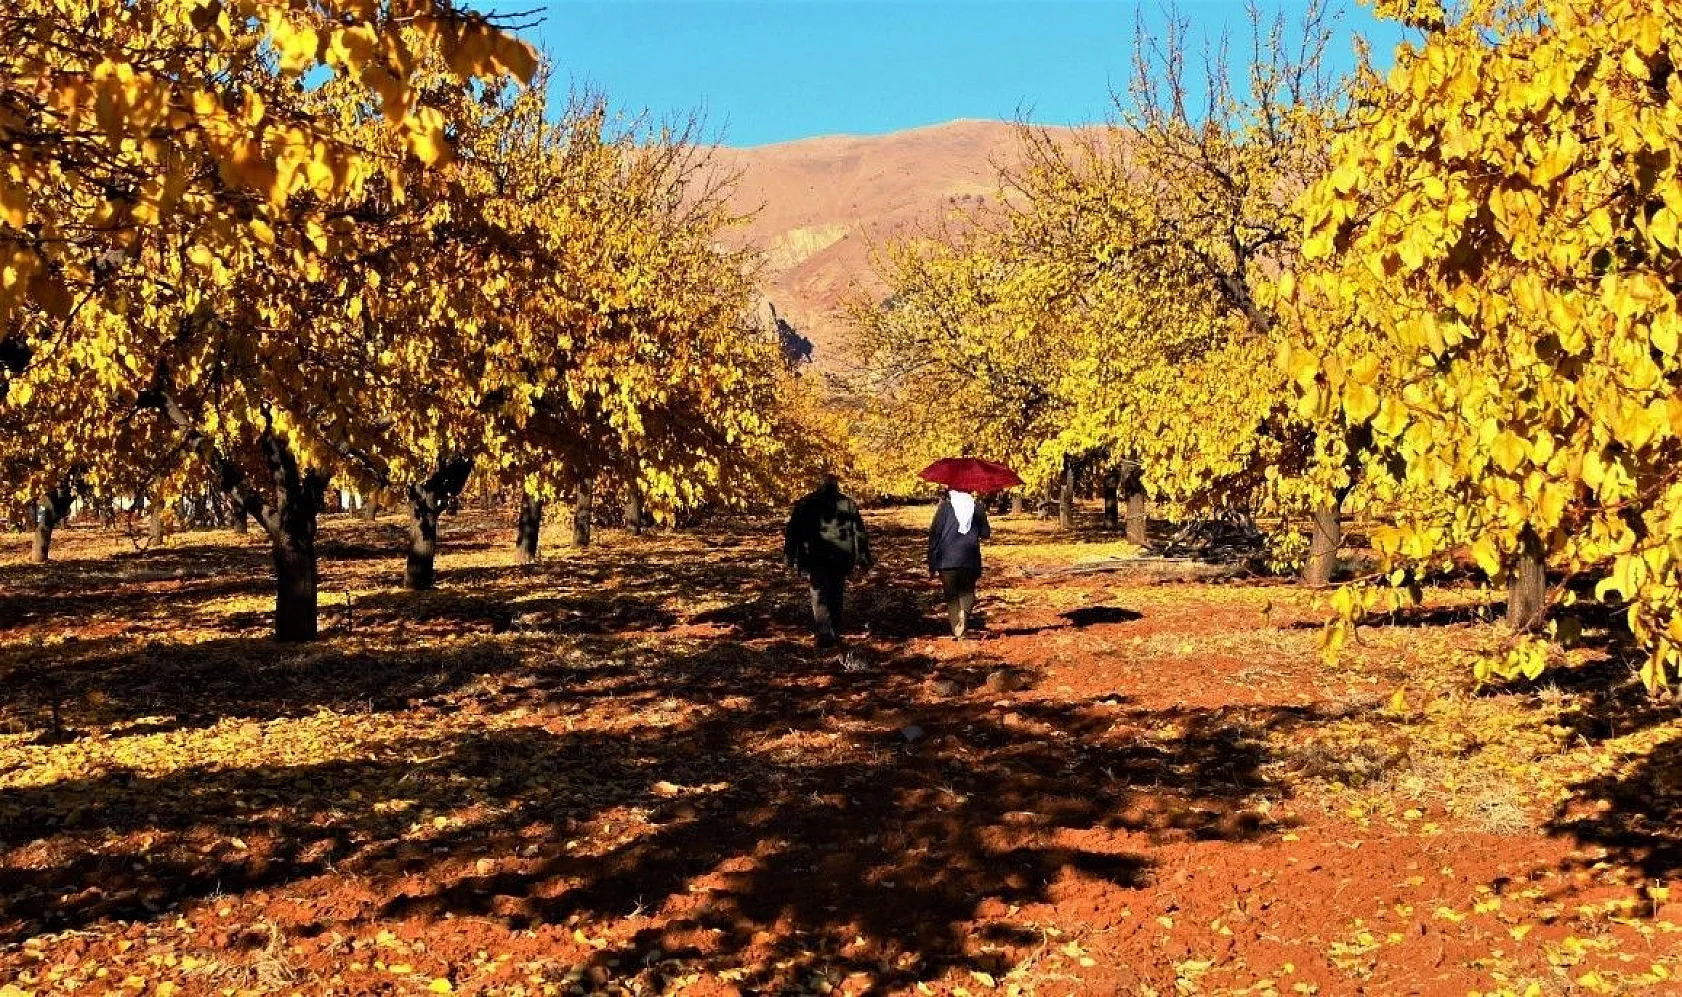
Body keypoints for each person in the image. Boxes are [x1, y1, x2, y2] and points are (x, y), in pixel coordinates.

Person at [784, 474, 874, 648]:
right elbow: (859, 533)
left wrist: (789, 554)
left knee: (819, 594)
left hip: (815, 556)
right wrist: (862, 558)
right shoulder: (847, 504)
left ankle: (826, 632)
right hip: (839, 557)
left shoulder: (806, 503)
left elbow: (793, 531)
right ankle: (833, 628)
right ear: (836, 486)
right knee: (835, 592)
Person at [928, 487, 991, 638]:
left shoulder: (945, 508)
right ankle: (964, 613)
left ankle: (959, 631)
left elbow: (934, 535)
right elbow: (986, 533)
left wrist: (932, 560)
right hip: (969, 558)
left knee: (951, 596)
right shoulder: (977, 507)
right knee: (967, 592)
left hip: (946, 559)